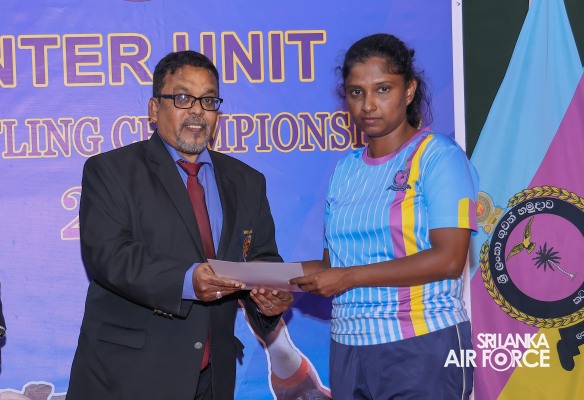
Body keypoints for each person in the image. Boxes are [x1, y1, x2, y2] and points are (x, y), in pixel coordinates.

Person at [67, 50, 293, 400]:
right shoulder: (111, 171)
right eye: (183, 98)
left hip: (212, 378)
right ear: (154, 109)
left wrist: (270, 299)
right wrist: (187, 281)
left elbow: (261, 258)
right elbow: (109, 256)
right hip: (128, 376)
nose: (197, 111)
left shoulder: (247, 181)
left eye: (208, 101)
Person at [290, 33, 478, 399]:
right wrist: (270, 280)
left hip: (424, 343)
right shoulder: (345, 170)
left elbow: (450, 259)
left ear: (409, 91)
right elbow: (332, 265)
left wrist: (349, 277)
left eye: (382, 89)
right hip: (348, 348)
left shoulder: (439, 157)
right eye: (356, 92)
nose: (368, 105)